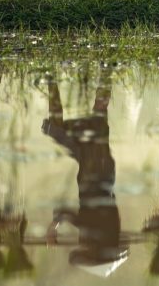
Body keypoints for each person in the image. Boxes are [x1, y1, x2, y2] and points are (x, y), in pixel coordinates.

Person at [42, 68, 129, 277]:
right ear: (96, 250)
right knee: (57, 127)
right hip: (95, 171)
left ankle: (106, 68)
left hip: (101, 171)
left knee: (98, 116)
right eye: (86, 250)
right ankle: (51, 76)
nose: (82, 245)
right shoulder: (97, 231)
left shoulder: (105, 231)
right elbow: (65, 213)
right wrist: (53, 228)